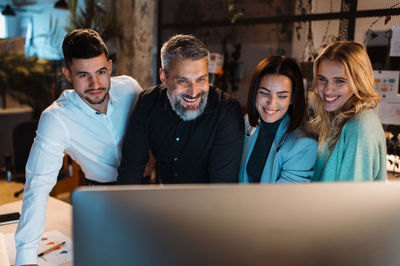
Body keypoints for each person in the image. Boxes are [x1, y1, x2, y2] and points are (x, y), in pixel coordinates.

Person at [14, 29, 142, 265]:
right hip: (99, 200)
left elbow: (157, 131)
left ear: (110, 67)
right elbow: (37, 187)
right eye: (84, 75)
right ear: (67, 74)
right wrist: (26, 257)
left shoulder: (131, 89)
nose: (95, 84)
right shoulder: (56, 118)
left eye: (101, 72)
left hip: (145, 194)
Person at [117, 34, 244, 184]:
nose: (194, 92)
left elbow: (222, 187)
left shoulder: (226, 112)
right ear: (163, 77)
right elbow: (131, 169)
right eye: (183, 81)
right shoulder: (147, 103)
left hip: (210, 204)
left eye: (201, 79)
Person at [311, 41, 386, 182]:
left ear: (358, 82)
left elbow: (352, 199)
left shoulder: (359, 126)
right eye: (322, 79)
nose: (327, 89)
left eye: (339, 81)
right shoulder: (338, 119)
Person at [239, 56, 317, 183]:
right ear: (255, 93)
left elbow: (283, 200)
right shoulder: (247, 123)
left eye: (282, 96)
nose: (271, 103)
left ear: (292, 99)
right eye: (264, 93)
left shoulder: (303, 146)